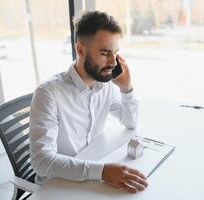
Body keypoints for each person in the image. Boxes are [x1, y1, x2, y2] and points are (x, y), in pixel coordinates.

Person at [29, 11, 148, 193]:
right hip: (58, 185)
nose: (113, 62)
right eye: (105, 53)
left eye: (115, 53)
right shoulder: (48, 93)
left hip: (91, 173)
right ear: (81, 49)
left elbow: (130, 122)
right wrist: (102, 172)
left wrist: (127, 88)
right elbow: (41, 162)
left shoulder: (105, 86)